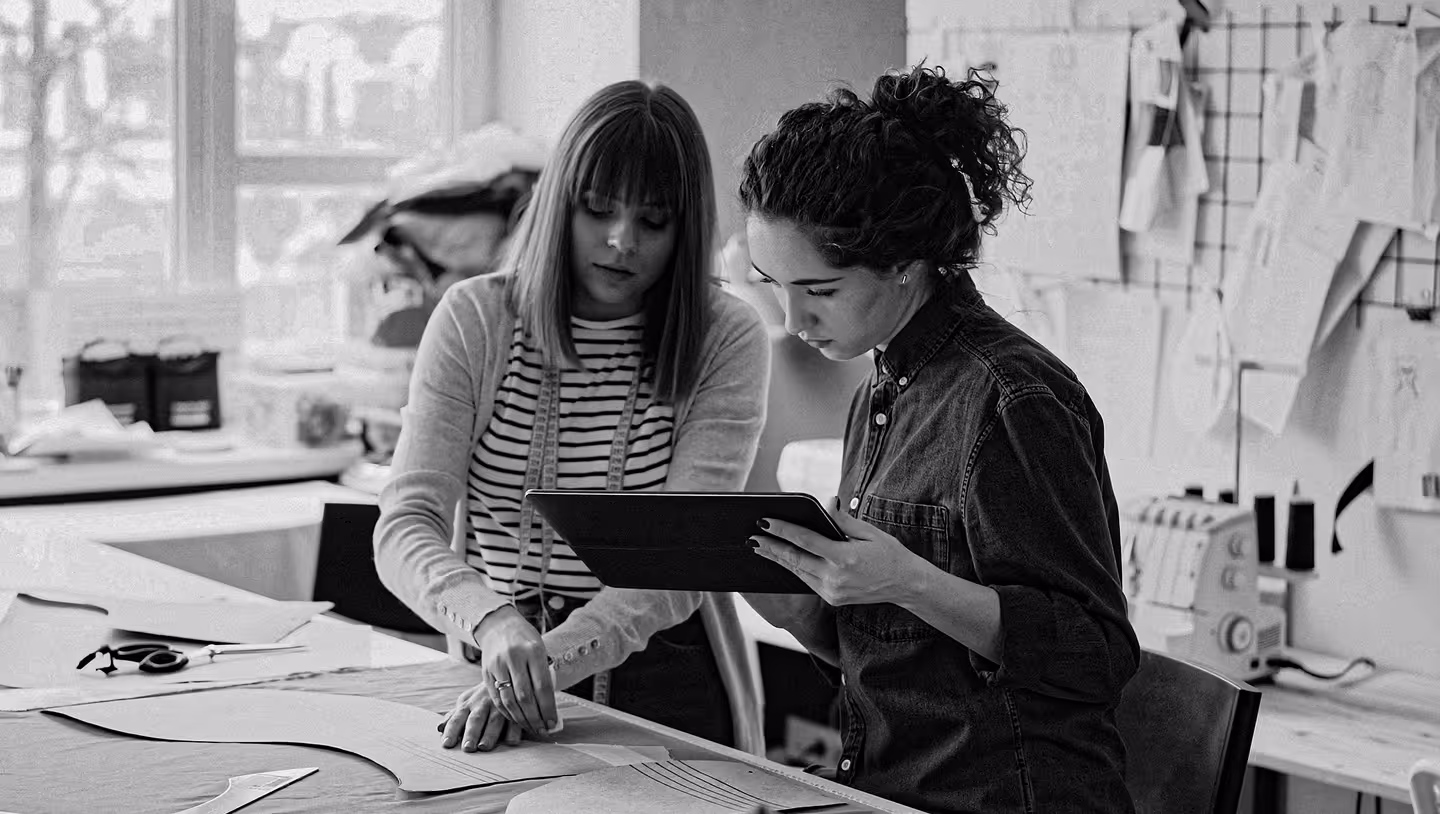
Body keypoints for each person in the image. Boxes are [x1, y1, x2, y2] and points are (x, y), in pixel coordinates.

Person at [738, 64, 1140, 813]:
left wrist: (907, 579)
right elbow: (914, 664)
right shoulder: (881, 393)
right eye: (773, 286)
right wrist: (809, 611)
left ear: (906, 265)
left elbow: (1097, 656)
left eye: (819, 290)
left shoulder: (1014, 400)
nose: (794, 322)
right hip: (885, 792)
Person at [375, 79, 770, 756]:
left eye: (653, 221)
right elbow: (406, 524)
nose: (621, 242)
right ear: (561, 204)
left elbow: (677, 562)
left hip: (667, 676)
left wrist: (541, 664)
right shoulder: (474, 320)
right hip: (496, 660)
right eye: (598, 210)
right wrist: (495, 625)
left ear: (687, 228)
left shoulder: (726, 336)